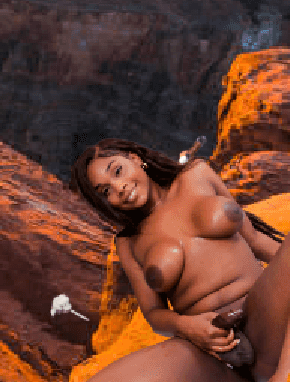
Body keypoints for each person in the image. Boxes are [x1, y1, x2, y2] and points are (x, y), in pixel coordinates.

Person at [70, 138, 289, 382]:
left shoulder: (197, 174)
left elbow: (255, 239)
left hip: (265, 318)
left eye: (118, 171)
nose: (119, 188)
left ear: (135, 158)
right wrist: (189, 328)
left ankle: (282, 375)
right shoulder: (129, 243)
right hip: (209, 352)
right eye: (106, 191)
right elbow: (154, 313)